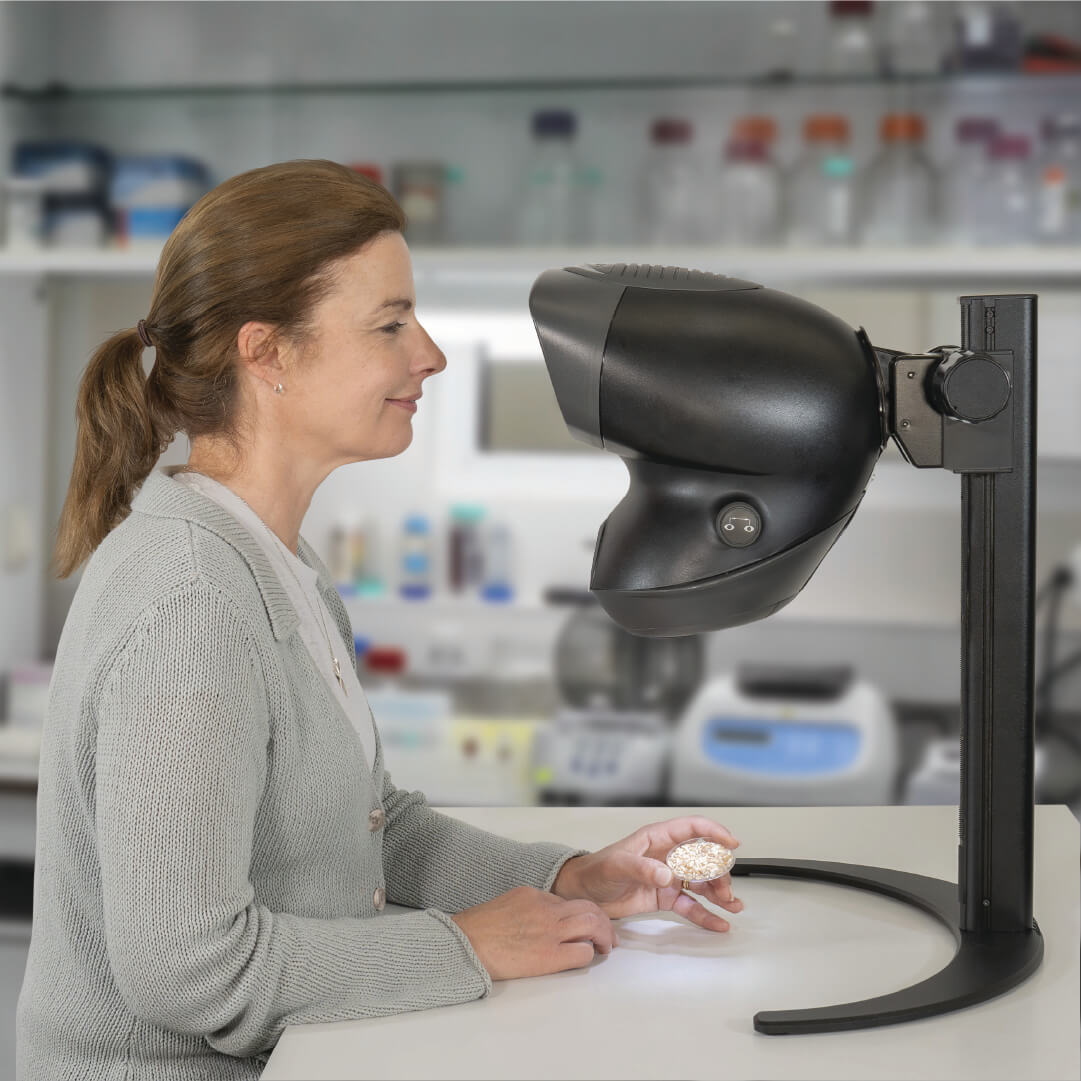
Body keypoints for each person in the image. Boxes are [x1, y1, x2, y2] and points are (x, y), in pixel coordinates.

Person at [15, 158, 743, 1081]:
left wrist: (569, 877)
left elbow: (376, 829)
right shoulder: (191, 603)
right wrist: (466, 945)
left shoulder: (276, 564)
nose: (428, 353)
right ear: (267, 352)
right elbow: (187, 970)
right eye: (390, 323)